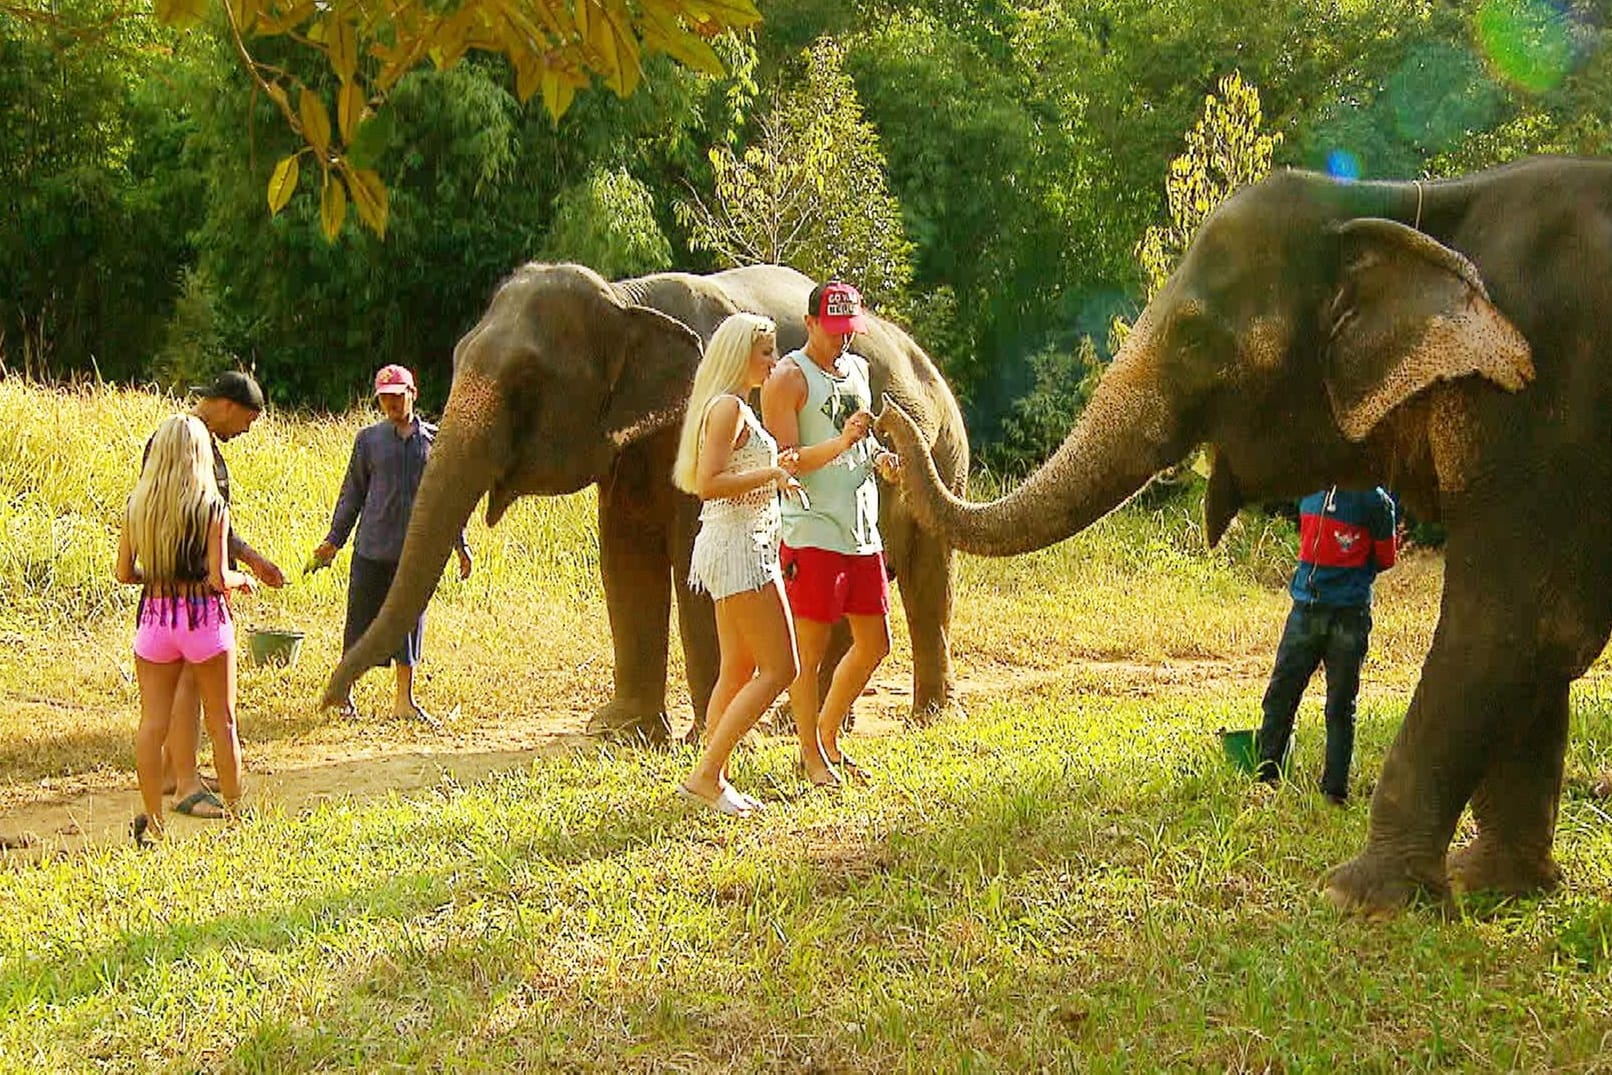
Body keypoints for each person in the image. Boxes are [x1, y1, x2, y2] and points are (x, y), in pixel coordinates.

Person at [760, 280, 900, 787]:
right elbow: (786, 462)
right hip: (812, 527)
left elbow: (862, 441)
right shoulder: (788, 379)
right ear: (811, 323)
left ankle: (826, 732)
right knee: (811, 650)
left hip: (861, 528)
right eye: (834, 330)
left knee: (875, 642)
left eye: (850, 331)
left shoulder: (859, 371)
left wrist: (879, 458)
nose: (842, 340)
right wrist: (842, 443)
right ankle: (809, 753)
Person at [672, 313, 805, 815]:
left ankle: (710, 772)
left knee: (738, 668)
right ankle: (708, 775)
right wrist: (771, 473)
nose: (774, 361)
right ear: (740, 355)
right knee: (780, 668)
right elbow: (707, 484)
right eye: (766, 352)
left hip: (738, 545)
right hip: (739, 550)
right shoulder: (727, 408)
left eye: (773, 351)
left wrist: (775, 476)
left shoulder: (734, 408)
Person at [146, 371, 284, 820]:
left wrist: (250, 557)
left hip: (171, 590)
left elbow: (210, 518)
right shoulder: (186, 440)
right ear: (227, 404)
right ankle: (188, 784)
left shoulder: (190, 440)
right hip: (191, 592)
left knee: (180, 682)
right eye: (246, 420)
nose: (244, 431)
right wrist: (225, 574)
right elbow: (194, 516)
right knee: (190, 682)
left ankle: (172, 770)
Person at [117, 415, 256, 844]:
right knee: (222, 723)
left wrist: (160, 576)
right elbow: (218, 578)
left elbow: (124, 573)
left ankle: (154, 824)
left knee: (152, 724)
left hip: (155, 622)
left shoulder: (137, 505)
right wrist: (242, 579)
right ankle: (235, 818)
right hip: (204, 621)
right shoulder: (212, 507)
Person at [310, 364, 472, 723]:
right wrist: (333, 541)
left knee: (410, 625)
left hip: (416, 555)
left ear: (413, 394)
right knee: (360, 621)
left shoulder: (435, 441)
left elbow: (450, 497)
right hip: (371, 548)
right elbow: (352, 494)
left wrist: (461, 545)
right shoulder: (368, 441)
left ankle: (403, 701)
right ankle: (344, 695)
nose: (392, 404)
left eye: (398, 397)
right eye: (385, 398)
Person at [1255, 485, 1398, 805]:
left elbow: (1386, 557)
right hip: (1305, 609)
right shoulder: (1309, 487)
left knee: (1339, 705)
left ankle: (1334, 791)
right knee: (1281, 695)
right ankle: (1266, 778)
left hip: (1348, 615)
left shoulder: (1373, 501)